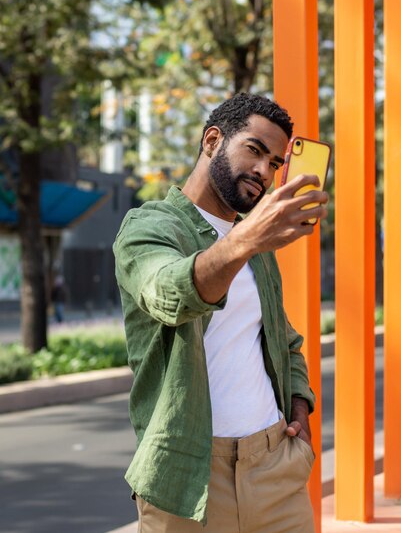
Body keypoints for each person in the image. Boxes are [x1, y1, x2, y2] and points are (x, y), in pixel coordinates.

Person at [113, 93, 328, 533]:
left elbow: (282, 338)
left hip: (275, 468)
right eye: (254, 150)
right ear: (213, 140)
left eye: (274, 162)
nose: (264, 172)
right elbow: (168, 296)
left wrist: (300, 410)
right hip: (189, 480)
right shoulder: (149, 226)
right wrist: (246, 239)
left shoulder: (254, 243)